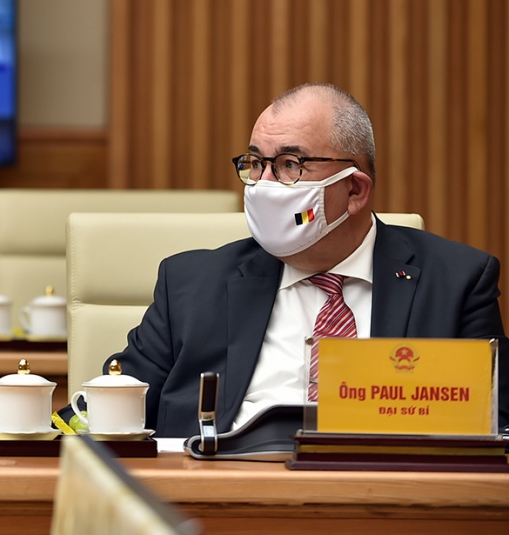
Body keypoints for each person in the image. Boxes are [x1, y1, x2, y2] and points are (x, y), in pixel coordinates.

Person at [106, 83, 509, 436]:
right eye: (255, 163)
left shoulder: (457, 282)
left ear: (354, 190)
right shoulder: (191, 284)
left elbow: (496, 425)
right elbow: (107, 408)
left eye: (289, 165)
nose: (263, 185)